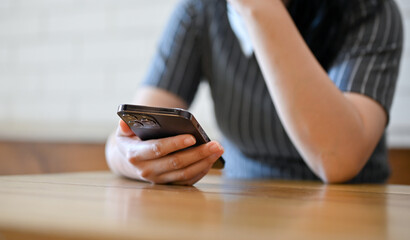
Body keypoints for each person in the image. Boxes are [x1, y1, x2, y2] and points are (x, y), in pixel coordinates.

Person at [105, 0, 403, 185]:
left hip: (351, 215)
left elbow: (338, 159)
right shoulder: (200, 12)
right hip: (243, 209)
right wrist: (131, 157)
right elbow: (126, 138)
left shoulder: (370, 11)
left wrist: (257, 6)